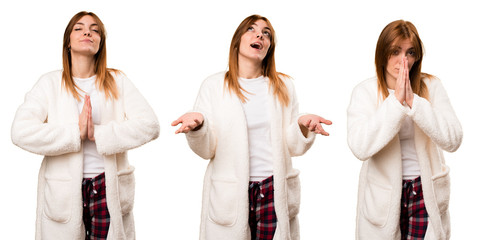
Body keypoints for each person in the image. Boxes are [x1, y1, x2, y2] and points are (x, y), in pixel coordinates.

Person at [172, 14, 332, 240]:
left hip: (273, 190)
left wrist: (302, 126)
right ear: (237, 40)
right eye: (252, 30)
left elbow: (293, 147)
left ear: (269, 47)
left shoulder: (284, 86)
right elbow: (206, 150)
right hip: (231, 193)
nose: (260, 35)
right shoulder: (214, 85)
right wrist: (199, 127)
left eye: (266, 33)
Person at [11, 11, 159, 239]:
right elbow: (20, 132)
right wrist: (75, 133)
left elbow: (150, 125)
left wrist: (98, 134)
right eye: (79, 28)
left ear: (101, 43)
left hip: (107, 186)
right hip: (64, 191)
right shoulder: (49, 83)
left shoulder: (117, 81)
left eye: (95, 29)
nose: (87, 31)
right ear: (68, 42)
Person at [347, 20, 462, 240]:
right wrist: (396, 103)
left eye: (410, 52)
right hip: (384, 197)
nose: (403, 60)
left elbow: (454, 139)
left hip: (425, 192)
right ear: (382, 54)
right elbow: (360, 147)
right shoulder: (365, 91)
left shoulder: (432, 86)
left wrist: (414, 102)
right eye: (395, 51)